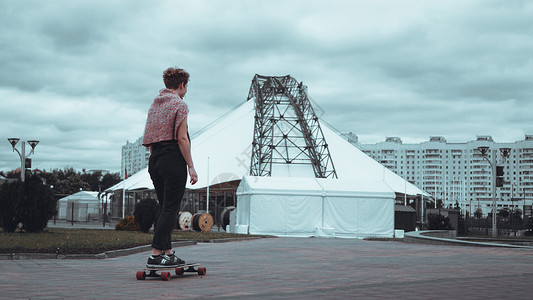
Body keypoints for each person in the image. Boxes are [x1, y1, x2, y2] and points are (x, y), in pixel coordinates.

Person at [142, 67, 198, 267]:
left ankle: (168, 253)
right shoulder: (179, 104)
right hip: (173, 158)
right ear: (182, 85)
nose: (186, 91)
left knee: (164, 207)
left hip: (155, 158)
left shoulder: (155, 104)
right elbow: (182, 138)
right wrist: (191, 166)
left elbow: (150, 138)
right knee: (170, 210)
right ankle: (156, 255)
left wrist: (156, 159)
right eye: (186, 87)